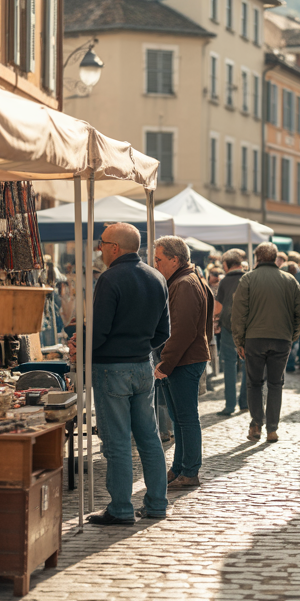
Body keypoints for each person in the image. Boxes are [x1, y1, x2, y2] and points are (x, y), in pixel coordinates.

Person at [79, 222, 170, 525]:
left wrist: (83, 346)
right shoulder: (156, 276)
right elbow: (163, 332)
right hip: (142, 365)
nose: (99, 249)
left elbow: (100, 330)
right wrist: (140, 346)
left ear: (115, 248)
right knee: (149, 438)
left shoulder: (110, 278)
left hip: (111, 367)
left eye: (102, 243)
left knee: (117, 442)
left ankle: (121, 508)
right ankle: (157, 503)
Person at [230, 242, 300, 443]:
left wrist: (239, 340)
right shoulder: (289, 280)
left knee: (254, 383)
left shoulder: (248, 279)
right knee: (276, 384)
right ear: (275, 259)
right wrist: (292, 335)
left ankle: (256, 424)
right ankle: (272, 429)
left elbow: (238, 314)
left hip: (254, 340)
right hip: (281, 339)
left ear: (257, 258)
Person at [153, 236, 213, 489]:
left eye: (158, 259)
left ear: (174, 259)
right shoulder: (186, 279)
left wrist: (166, 363)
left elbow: (183, 330)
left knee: (186, 419)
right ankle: (179, 469)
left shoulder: (185, 283)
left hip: (185, 360)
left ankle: (190, 471)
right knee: (180, 418)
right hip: (185, 358)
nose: (155, 265)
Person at [214, 248, 248, 416]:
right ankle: (245, 402)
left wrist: (216, 321)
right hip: (248, 326)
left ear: (226, 265)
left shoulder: (225, 281)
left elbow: (218, 307)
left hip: (228, 326)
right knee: (247, 363)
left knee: (229, 364)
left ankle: (230, 405)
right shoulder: (249, 278)